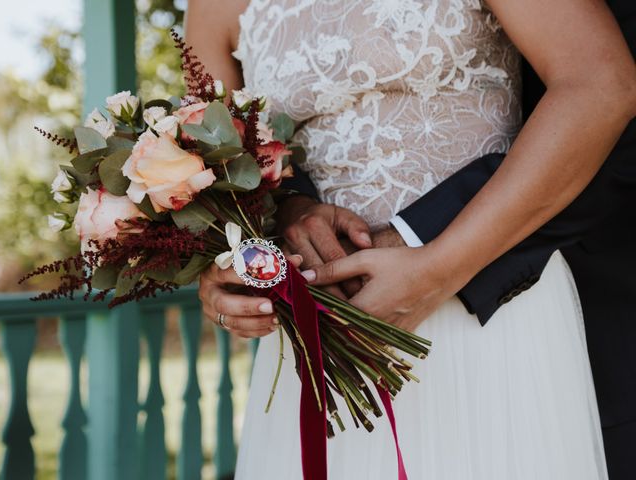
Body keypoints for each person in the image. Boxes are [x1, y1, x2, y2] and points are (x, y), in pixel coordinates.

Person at [188, 0, 636, 478]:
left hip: (488, 308)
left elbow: (600, 85)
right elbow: (217, 167)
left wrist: (440, 265)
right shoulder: (214, 7)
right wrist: (227, 269)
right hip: (320, 332)